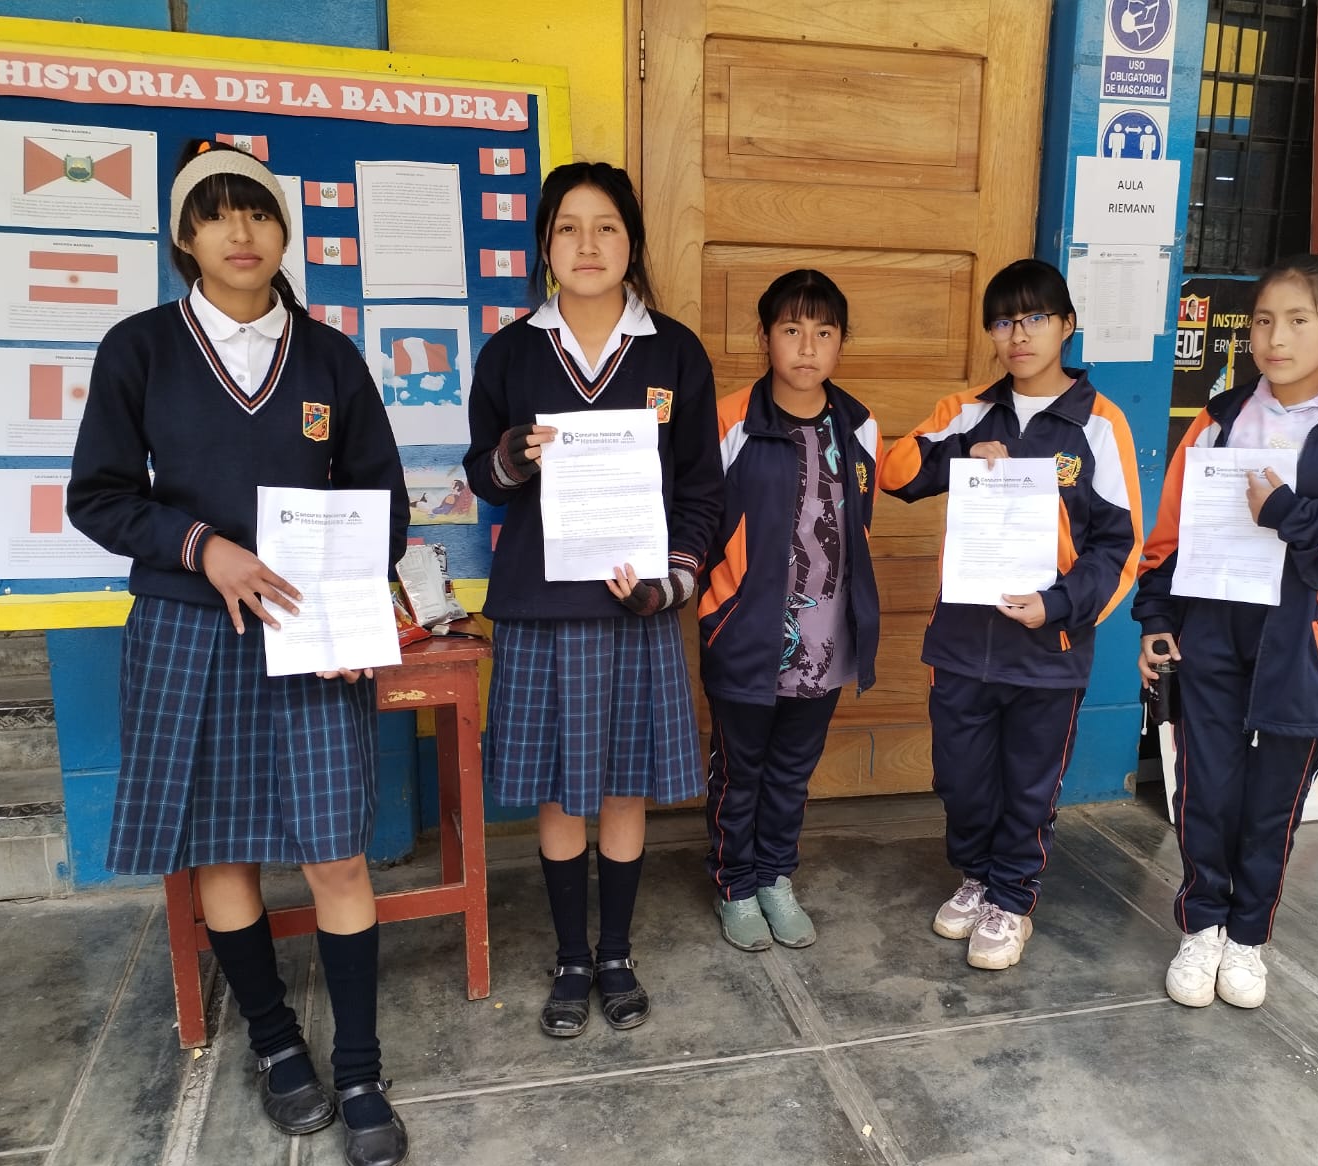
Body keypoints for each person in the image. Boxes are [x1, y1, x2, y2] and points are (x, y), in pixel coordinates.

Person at [67, 139, 411, 1166]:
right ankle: (273, 1039)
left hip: (308, 633)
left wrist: (354, 612)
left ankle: (359, 1070)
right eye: (216, 215)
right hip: (189, 629)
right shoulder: (140, 349)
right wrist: (200, 547)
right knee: (224, 853)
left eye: (256, 211)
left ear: (282, 229)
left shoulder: (328, 359)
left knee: (336, 851)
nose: (240, 231)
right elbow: (100, 497)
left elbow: (380, 502)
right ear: (185, 237)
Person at [463, 162, 724, 1038]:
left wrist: (672, 581)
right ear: (543, 245)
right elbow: (482, 480)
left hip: (633, 608)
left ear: (632, 244)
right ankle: (570, 957)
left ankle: (616, 953)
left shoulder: (673, 352)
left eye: (606, 227)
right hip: (540, 608)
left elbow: (700, 492)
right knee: (555, 790)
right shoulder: (508, 352)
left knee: (622, 785)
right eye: (567, 227)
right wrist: (513, 457)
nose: (586, 244)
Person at [1134, 251, 1318, 1009]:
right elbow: (1168, 534)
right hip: (1212, 631)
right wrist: (1157, 617)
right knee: (1205, 789)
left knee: (1272, 802)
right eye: (1262, 320)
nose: (1273, 338)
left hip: (1306, 643)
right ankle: (1201, 927)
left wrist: (1290, 512)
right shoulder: (1220, 418)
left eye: (1296, 321)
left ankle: (1248, 938)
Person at [880, 259, 1142, 970]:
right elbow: (895, 472)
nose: (1016, 334)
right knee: (960, 779)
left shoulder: (1098, 424)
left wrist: (1055, 606)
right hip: (962, 645)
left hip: (1046, 653)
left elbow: (1119, 549)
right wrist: (962, 451)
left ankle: (1012, 898)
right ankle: (975, 876)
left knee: (1028, 784)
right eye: (1002, 320)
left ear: (1066, 326)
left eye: (1032, 318)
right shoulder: (967, 409)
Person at [698, 270, 882, 951]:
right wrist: (716, 605)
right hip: (745, 633)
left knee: (791, 770)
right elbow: (698, 519)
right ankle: (735, 885)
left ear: (840, 343)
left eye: (823, 332)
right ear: (765, 337)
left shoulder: (859, 425)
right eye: (791, 330)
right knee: (738, 769)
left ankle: (776, 876)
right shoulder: (729, 421)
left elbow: (856, 527)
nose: (807, 347)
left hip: (826, 638)